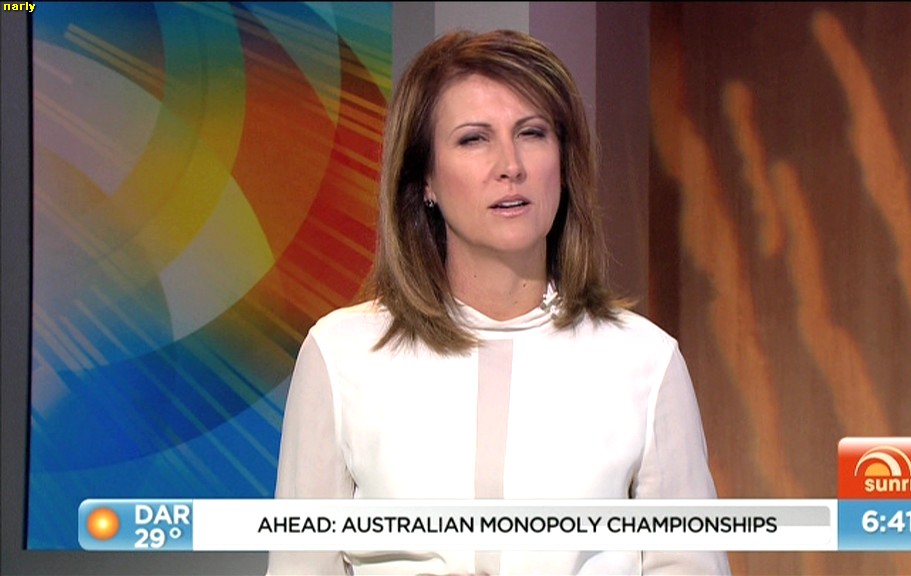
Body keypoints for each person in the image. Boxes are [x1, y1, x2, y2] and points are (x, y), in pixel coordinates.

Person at [267, 29, 730, 576]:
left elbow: (689, 565)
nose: (511, 165)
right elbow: (301, 566)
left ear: (563, 163)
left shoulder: (645, 360)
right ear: (425, 179)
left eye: (532, 133)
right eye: (474, 139)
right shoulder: (342, 354)